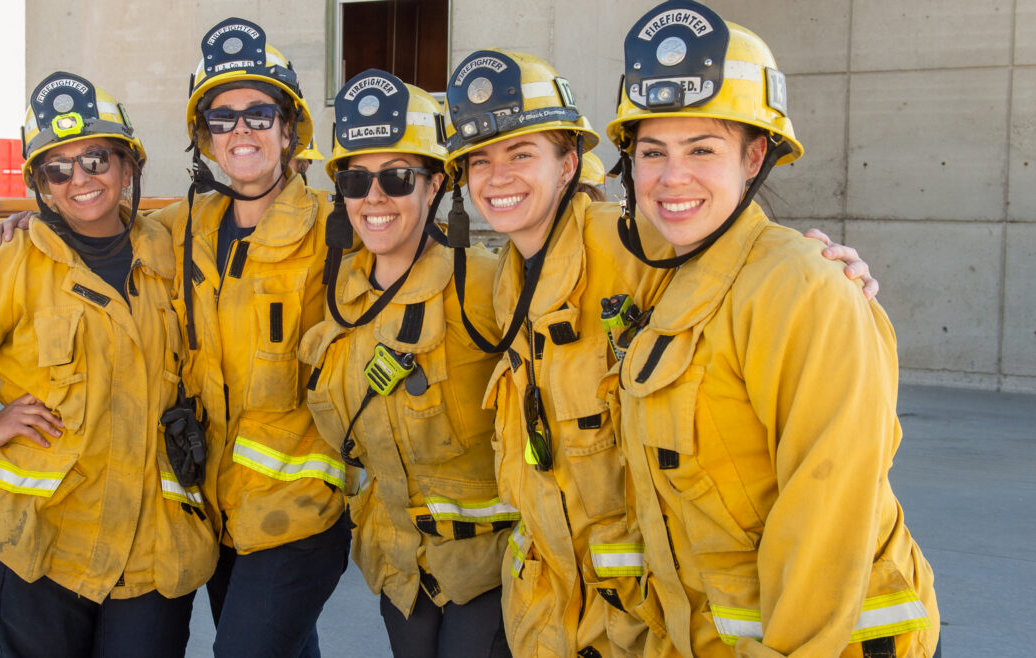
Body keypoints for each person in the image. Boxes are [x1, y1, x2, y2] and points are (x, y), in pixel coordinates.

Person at [438, 48, 883, 657]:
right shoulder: (504, 280)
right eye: (479, 160)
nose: (498, 177)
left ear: (571, 163)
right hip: (599, 612)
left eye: (521, 153)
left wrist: (828, 275)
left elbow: (827, 500)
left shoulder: (640, 244)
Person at [602, 2, 940, 656]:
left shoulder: (800, 285)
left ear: (755, 156)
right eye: (652, 152)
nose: (673, 176)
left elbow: (826, 510)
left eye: (703, 148)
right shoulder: (669, 274)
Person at [0, 71, 217, 657]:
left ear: (128, 165)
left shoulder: (172, 251)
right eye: (57, 168)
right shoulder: (9, 261)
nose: (79, 178)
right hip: (37, 546)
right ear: (40, 184)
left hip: (150, 550)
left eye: (96, 158)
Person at [149, 18, 350, 657]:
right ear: (204, 138)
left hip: (299, 512)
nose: (241, 131)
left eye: (259, 114)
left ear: (289, 131)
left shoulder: (336, 230)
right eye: (222, 118)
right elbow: (93, 229)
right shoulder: (182, 228)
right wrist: (21, 221)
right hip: (220, 504)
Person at [298, 69, 512, 657]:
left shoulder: (487, 286)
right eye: (355, 178)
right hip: (399, 568)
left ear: (435, 183)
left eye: (396, 177)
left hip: (489, 567)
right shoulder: (336, 294)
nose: (374, 197)